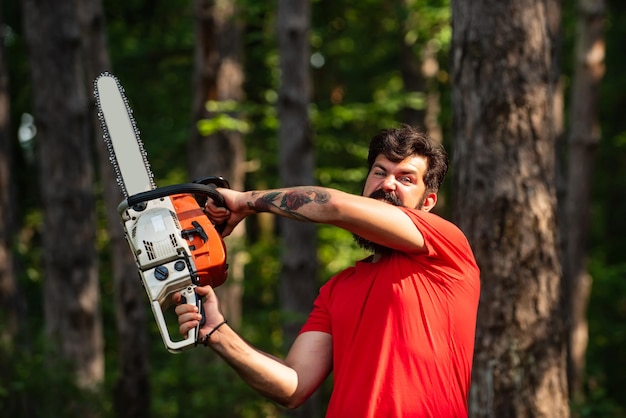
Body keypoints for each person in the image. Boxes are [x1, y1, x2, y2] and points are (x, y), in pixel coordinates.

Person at [175, 125, 481, 417]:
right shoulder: (337, 289)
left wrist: (245, 201)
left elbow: (333, 206)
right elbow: (292, 385)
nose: (387, 184)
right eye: (379, 172)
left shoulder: (447, 248)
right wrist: (217, 332)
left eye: (406, 178)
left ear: (427, 203)